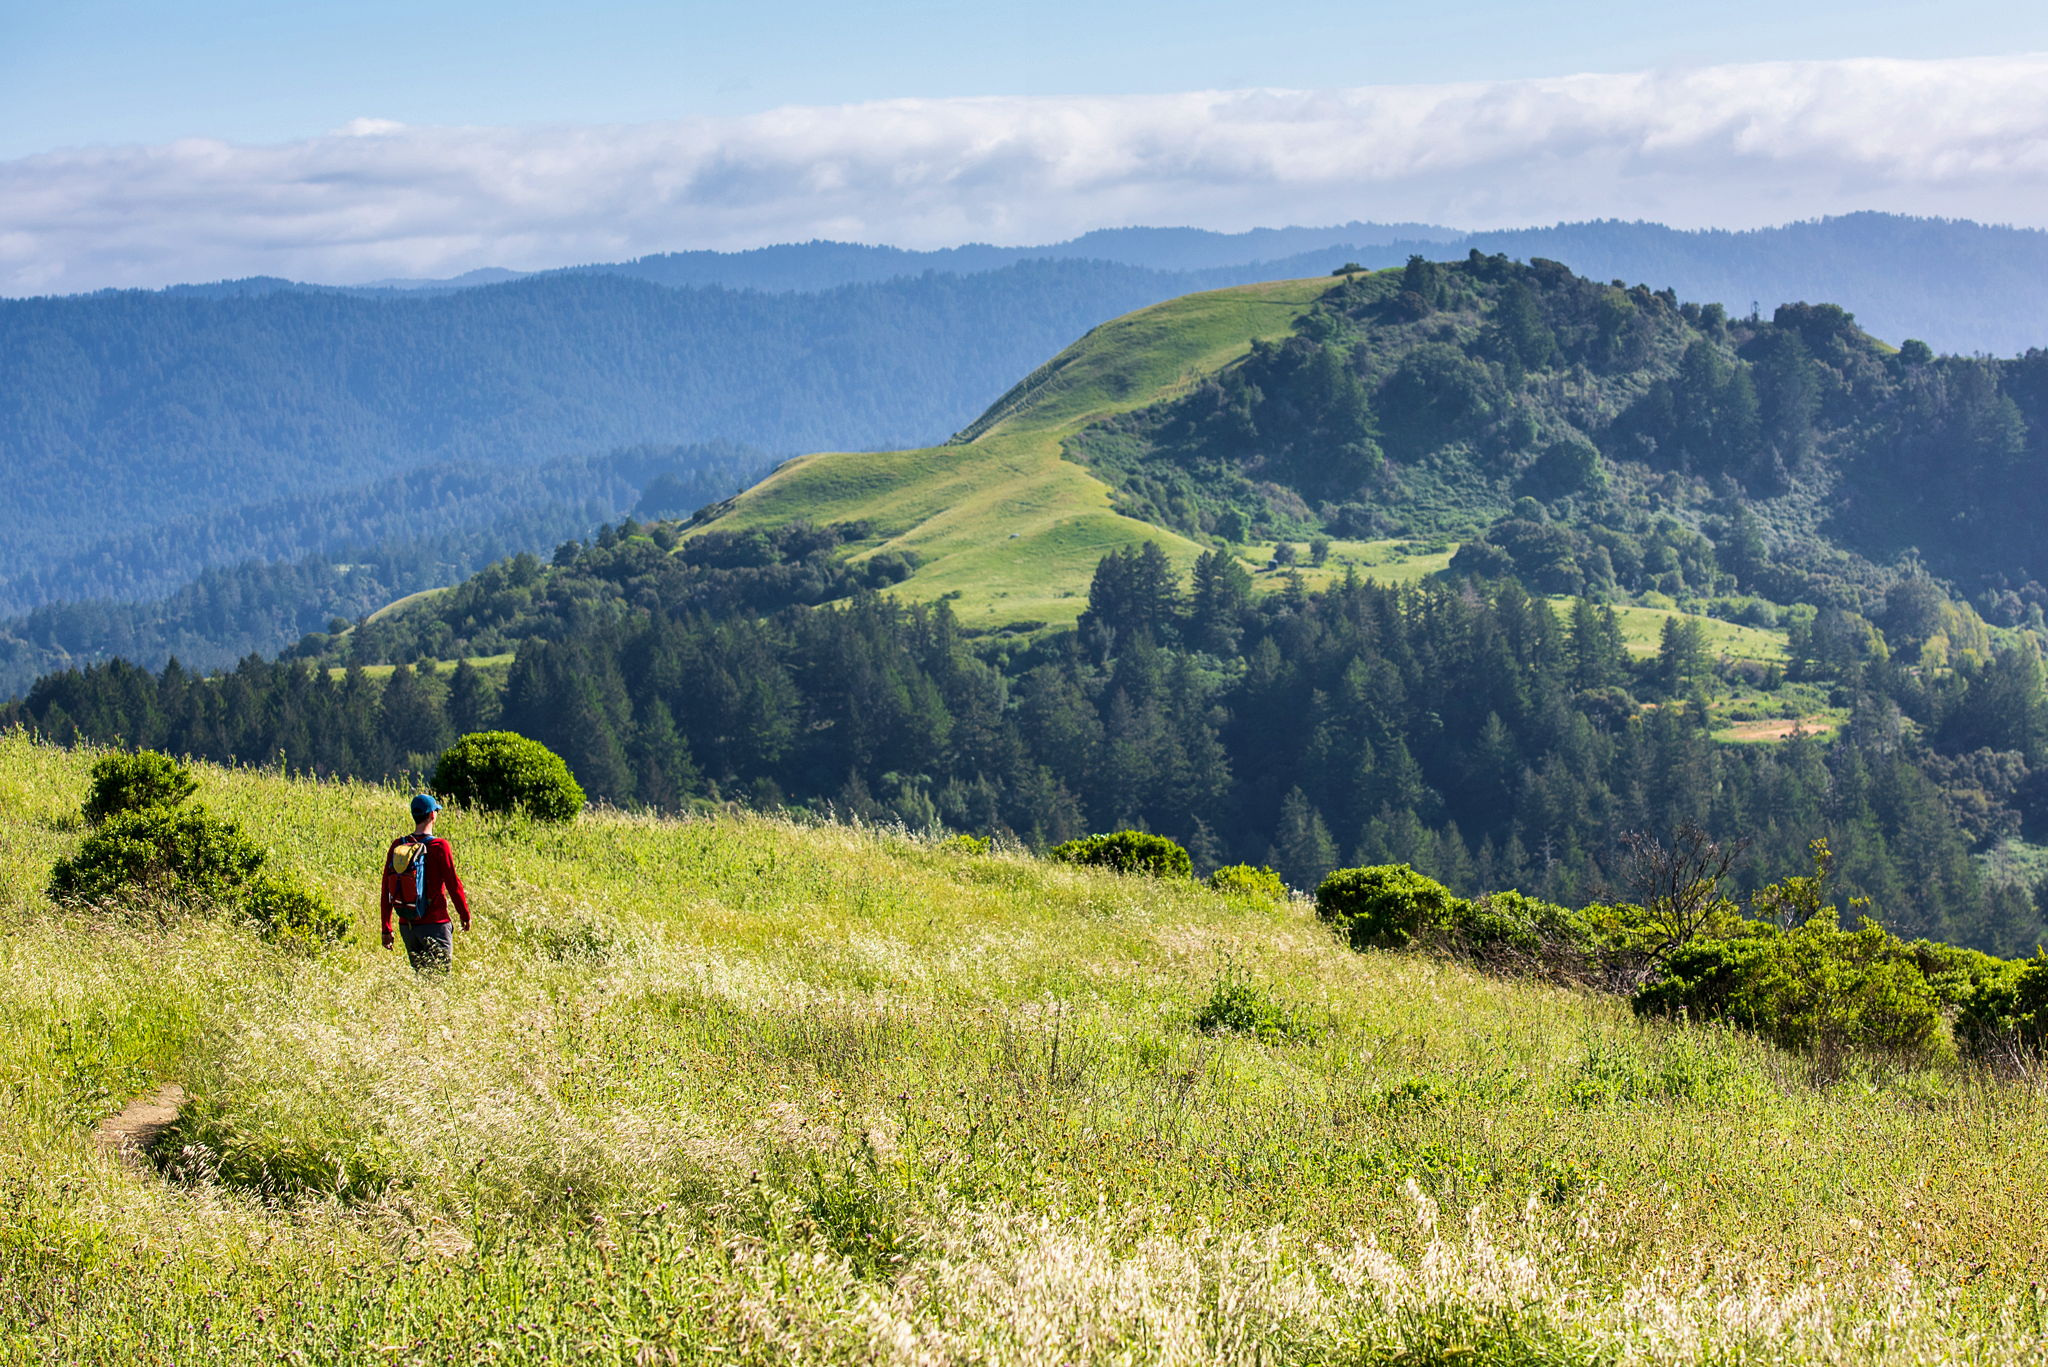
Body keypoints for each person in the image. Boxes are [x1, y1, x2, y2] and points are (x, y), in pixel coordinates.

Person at [382, 793, 471, 971]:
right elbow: (453, 885)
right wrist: (464, 915)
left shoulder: (398, 845)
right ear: (432, 815)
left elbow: (386, 890)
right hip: (435, 925)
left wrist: (386, 928)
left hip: (407, 926)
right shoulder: (439, 846)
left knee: (422, 982)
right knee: (440, 983)